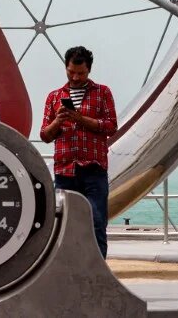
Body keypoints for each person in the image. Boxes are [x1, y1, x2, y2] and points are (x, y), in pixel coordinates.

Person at [40, 46, 117, 258]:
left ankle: (96, 268)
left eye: (80, 73)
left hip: (93, 169)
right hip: (65, 170)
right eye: (71, 72)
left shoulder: (102, 93)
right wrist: (58, 121)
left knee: (97, 221)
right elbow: (45, 135)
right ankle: (67, 267)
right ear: (66, 68)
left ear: (89, 70)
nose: (75, 77)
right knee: (62, 225)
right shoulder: (55, 97)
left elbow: (111, 126)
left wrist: (80, 119)